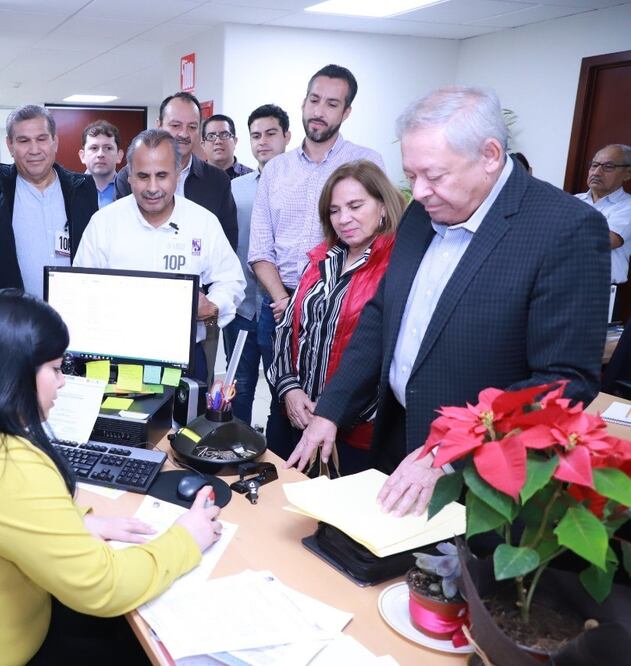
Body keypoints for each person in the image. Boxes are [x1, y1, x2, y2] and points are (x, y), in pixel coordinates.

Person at [290, 86, 609, 516]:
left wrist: (448, 448)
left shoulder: (564, 229)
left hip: (479, 470)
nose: (418, 192)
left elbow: (563, 380)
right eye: (411, 175)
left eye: (434, 176)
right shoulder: (424, 213)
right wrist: (331, 409)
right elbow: (382, 316)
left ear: (490, 155)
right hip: (396, 438)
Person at [0, 290, 222, 665]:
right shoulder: (3, 463)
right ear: (14, 374)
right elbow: (103, 587)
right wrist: (186, 539)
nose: (63, 382)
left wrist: (75, 524)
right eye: (56, 368)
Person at [248, 64, 384, 456]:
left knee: (336, 411)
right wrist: (285, 301)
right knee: (284, 410)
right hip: (280, 305)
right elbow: (260, 249)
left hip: (349, 308)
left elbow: (379, 241)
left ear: (346, 112)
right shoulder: (276, 169)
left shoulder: (365, 162)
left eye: (332, 103)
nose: (319, 111)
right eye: (313, 100)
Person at [74, 129, 245, 383]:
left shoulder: (202, 222)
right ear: (129, 176)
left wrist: (212, 305)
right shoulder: (104, 224)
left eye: (162, 176)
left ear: (177, 175)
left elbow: (232, 281)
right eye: (143, 176)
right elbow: (80, 289)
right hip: (115, 362)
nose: (153, 188)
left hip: (183, 360)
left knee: (184, 423)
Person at [266, 161, 405, 471]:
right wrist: (289, 387)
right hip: (296, 416)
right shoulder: (321, 259)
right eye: (334, 210)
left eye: (356, 206)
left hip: (355, 434)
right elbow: (288, 328)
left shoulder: (399, 268)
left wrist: (332, 412)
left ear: (382, 206)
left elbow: (390, 357)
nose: (344, 219)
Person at [0, 104, 98, 295]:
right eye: (24, 141)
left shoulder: (84, 190)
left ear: (55, 142)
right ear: (10, 145)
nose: (34, 149)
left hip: (75, 314)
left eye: (42, 139)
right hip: (15, 318)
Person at [225, 104, 292, 425]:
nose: (263, 141)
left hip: (281, 308)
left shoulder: (299, 188)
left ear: (287, 137)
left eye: (270, 134)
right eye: (255, 136)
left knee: (283, 389)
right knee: (238, 388)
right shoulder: (235, 189)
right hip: (240, 307)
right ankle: (237, 446)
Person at [115, 92, 238, 249]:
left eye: (192, 127)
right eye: (175, 125)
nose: (184, 134)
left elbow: (226, 243)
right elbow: (121, 234)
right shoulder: (129, 176)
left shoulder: (217, 180)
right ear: (159, 125)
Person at [575, 144, 631, 286]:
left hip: (601, 289)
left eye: (608, 167)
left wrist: (562, 232)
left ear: (627, 174)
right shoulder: (573, 201)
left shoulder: (627, 206)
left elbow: (605, 240)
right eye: (594, 165)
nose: (597, 172)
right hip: (564, 284)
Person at [79, 120, 124, 208]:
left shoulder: (130, 191)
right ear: (83, 156)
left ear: (119, 156)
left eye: (108, 148)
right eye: (94, 148)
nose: (100, 154)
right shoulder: (69, 191)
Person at [202, 114, 253, 180]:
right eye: (211, 136)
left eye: (224, 135)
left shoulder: (252, 178)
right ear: (203, 145)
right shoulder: (192, 178)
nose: (218, 141)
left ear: (235, 141)